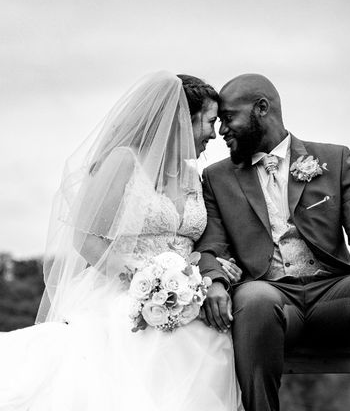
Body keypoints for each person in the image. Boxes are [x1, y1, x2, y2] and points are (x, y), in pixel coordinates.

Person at [0, 71, 243, 411]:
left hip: (187, 292)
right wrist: (145, 280)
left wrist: (208, 268)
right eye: (209, 122)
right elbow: (86, 237)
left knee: (211, 337)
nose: (214, 135)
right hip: (121, 288)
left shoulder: (193, 176)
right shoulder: (124, 161)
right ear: (181, 122)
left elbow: (203, 241)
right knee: (146, 341)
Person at [196, 74, 350, 411]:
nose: (222, 131)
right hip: (272, 296)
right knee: (254, 299)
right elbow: (211, 246)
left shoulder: (333, 160)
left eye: (229, 118)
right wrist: (215, 280)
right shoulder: (217, 177)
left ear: (261, 109)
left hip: (334, 294)